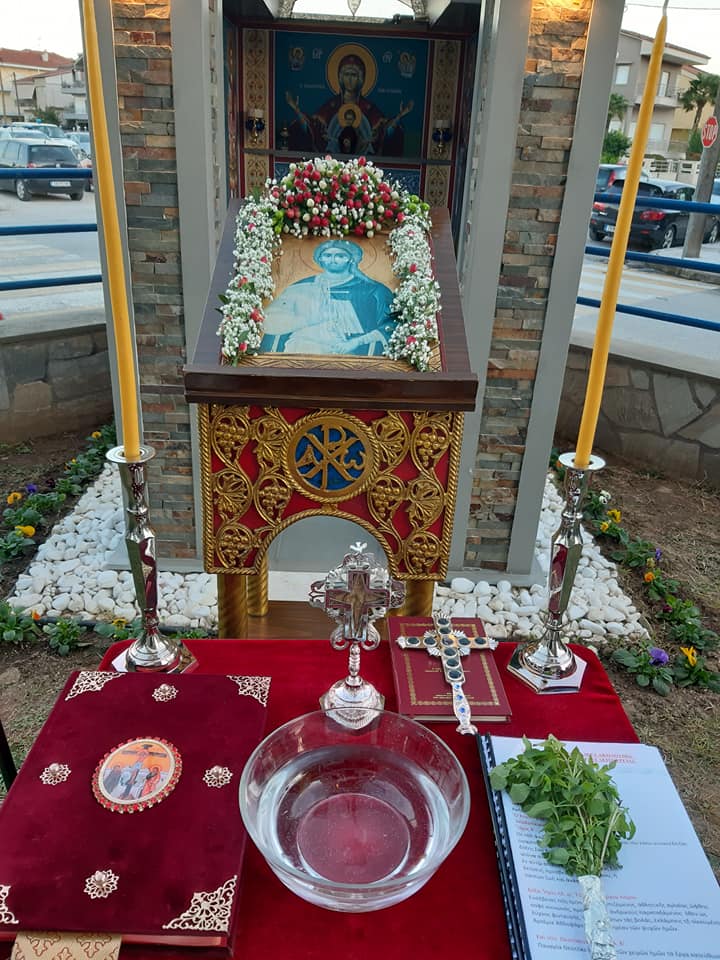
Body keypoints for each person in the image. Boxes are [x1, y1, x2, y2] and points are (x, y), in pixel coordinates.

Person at [261, 240, 394, 357]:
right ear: (320, 259)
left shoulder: (373, 290)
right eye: (327, 255)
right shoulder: (301, 287)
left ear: (351, 259)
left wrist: (355, 342)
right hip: (301, 348)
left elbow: (390, 325)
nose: (333, 260)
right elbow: (272, 319)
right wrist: (306, 319)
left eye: (340, 256)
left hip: (347, 353)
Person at [285, 51, 413, 156]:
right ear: (340, 77)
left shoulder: (369, 108)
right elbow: (312, 127)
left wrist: (400, 115)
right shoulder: (331, 105)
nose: (350, 79)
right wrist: (295, 108)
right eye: (346, 74)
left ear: (361, 78)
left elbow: (385, 131)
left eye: (354, 75)